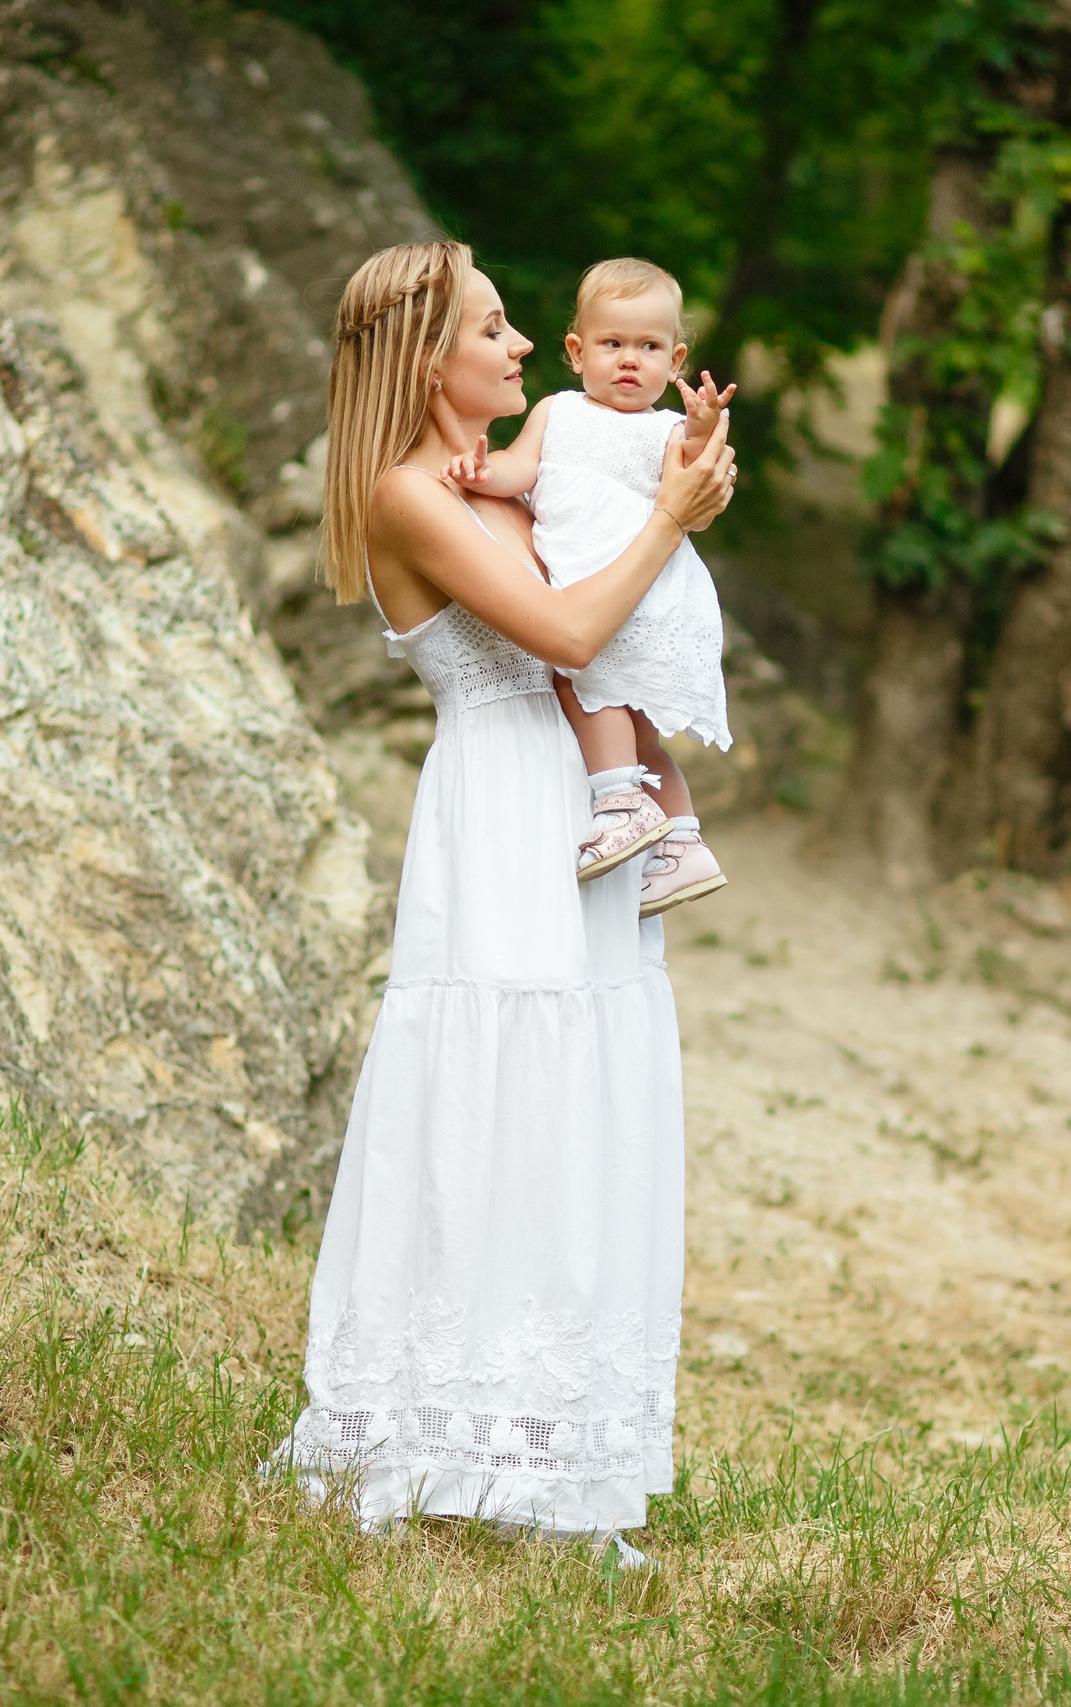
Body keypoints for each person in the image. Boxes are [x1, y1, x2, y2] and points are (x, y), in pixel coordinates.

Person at [268, 240, 736, 1568]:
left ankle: (554, 1462)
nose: (525, 343)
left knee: (580, 1099)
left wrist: (678, 472)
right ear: (429, 360)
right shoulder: (404, 493)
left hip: (589, 806)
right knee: (492, 1104)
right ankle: (426, 1437)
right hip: (499, 817)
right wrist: (670, 521)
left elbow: (609, 614)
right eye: (495, 325)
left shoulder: (529, 471)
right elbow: (568, 636)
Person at [444, 258, 735, 918]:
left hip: (639, 590)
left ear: (676, 359)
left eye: (649, 347)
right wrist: (474, 471)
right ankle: (683, 841)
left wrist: (701, 426)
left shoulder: (664, 429)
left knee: (583, 681)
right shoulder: (558, 412)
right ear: (576, 352)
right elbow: (518, 469)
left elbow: (693, 478)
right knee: (634, 728)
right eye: (612, 344)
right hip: (603, 583)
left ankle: (619, 803)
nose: (630, 361)